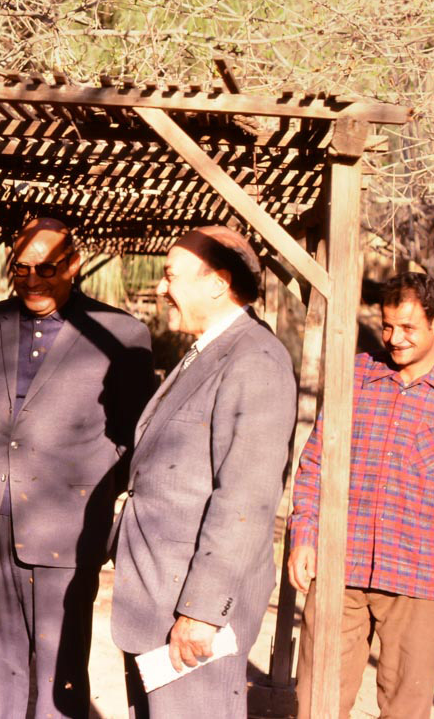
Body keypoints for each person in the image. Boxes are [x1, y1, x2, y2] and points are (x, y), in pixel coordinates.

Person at [0, 219, 154, 718]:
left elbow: (133, 436)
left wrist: (85, 493)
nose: (32, 280)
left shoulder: (121, 333)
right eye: (21, 268)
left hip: (67, 525)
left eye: (46, 268)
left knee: (60, 669)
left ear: (74, 265)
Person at [110, 226, 297, 718]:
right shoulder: (210, 351)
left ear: (218, 283)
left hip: (193, 613)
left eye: (171, 276)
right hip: (161, 598)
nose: (160, 288)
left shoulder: (255, 360)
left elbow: (245, 499)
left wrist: (201, 612)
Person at [288, 272, 434, 719]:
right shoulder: (357, 376)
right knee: (315, 702)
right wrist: (304, 535)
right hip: (340, 566)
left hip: (422, 579)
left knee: (405, 709)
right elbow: (315, 462)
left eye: (408, 328)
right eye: (387, 326)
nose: (394, 338)